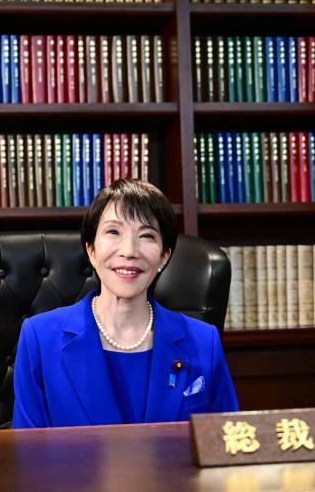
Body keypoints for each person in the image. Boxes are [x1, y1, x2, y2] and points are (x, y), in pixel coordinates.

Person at [13, 178, 239, 428]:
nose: (129, 250)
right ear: (91, 250)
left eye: (146, 235)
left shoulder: (203, 341)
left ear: (164, 256)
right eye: (113, 232)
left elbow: (224, 446)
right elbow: (28, 455)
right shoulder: (40, 337)